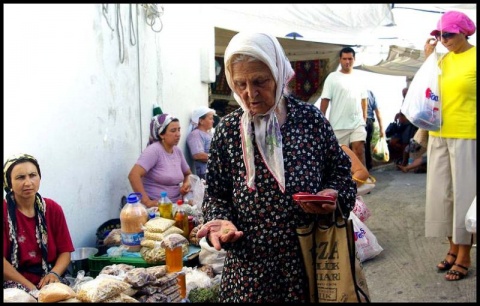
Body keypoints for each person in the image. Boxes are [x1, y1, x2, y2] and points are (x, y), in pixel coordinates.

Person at [195, 32, 356, 302]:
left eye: (260, 81)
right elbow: (216, 194)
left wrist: (332, 193)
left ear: (279, 73)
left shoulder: (310, 120)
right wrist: (219, 219)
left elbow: (341, 173)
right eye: (240, 84)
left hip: (306, 260)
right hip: (249, 269)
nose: (250, 93)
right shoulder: (228, 130)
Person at [424, 11, 476, 281]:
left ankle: (465, 253)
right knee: (440, 195)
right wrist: (428, 59)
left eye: (449, 34)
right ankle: (452, 247)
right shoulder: (440, 60)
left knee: (464, 197)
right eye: (439, 35)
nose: (444, 40)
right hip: (438, 134)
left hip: (468, 135)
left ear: (465, 32)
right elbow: (428, 93)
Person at [3, 154, 74, 293]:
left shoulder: (53, 208)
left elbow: (65, 251)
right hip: (14, 283)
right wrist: (32, 289)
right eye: (20, 177)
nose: (28, 182)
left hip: (48, 279)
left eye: (32, 175)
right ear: (9, 183)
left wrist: (54, 274)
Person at [316, 47, 368, 166]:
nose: (347, 62)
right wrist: (321, 120)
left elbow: (364, 100)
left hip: (357, 123)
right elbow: (325, 100)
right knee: (340, 156)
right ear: (340, 60)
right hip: (338, 124)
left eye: (350, 58)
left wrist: (364, 120)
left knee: (359, 150)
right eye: (344, 59)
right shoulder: (332, 77)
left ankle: (361, 181)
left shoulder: (359, 78)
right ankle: (343, 182)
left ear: (354, 59)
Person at [128, 114, 192, 207]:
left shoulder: (177, 151)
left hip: (176, 204)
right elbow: (133, 175)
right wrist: (147, 202)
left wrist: (186, 184)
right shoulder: (154, 151)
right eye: (173, 131)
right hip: (157, 207)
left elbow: (188, 174)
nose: (178, 134)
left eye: (179, 130)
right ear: (161, 134)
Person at [386, 88, 418, 164]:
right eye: (403, 93)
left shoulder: (413, 100)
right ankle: (402, 158)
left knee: (405, 143)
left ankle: (404, 161)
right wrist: (398, 115)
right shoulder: (404, 101)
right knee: (393, 142)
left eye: (405, 93)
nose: (404, 95)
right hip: (402, 125)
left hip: (409, 124)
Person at [186, 106, 216, 180]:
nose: (213, 121)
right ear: (201, 121)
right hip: (206, 174)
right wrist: (217, 158)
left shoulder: (208, 134)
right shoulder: (196, 134)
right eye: (210, 119)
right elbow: (198, 155)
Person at [365, 89, 385, 170]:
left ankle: (364, 166)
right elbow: (377, 111)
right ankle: (368, 165)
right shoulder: (370, 93)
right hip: (369, 122)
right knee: (366, 145)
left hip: (361, 121)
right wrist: (381, 128)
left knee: (360, 145)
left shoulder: (356, 90)